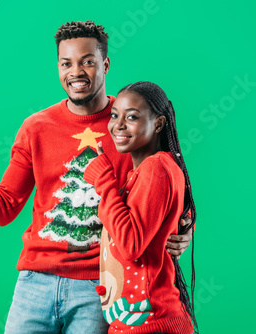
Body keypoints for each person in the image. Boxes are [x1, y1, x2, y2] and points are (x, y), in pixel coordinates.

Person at [0, 21, 192, 333]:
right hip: (34, 284)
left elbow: (165, 183)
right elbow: (5, 206)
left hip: (99, 286)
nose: (76, 72)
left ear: (105, 64)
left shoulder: (130, 122)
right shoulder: (37, 127)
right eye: (66, 63)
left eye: (88, 61)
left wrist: (184, 225)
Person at [84, 81, 197, 333]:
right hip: (134, 322)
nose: (118, 125)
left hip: (151, 323)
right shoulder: (140, 173)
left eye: (132, 117)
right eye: (115, 115)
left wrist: (103, 181)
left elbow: (131, 245)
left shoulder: (156, 167)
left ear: (158, 124)